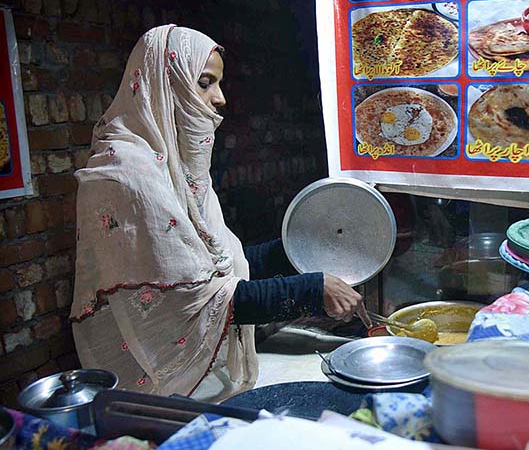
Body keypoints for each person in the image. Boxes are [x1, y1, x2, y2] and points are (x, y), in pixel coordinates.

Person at [71, 25, 367, 398]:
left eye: (218, 83)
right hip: (155, 391)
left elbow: (218, 266)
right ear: (167, 83)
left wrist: (302, 252)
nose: (220, 98)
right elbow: (191, 299)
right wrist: (311, 288)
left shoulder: (176, 166)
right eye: (205, 83)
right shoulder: (125, 173)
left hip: (205, 380)